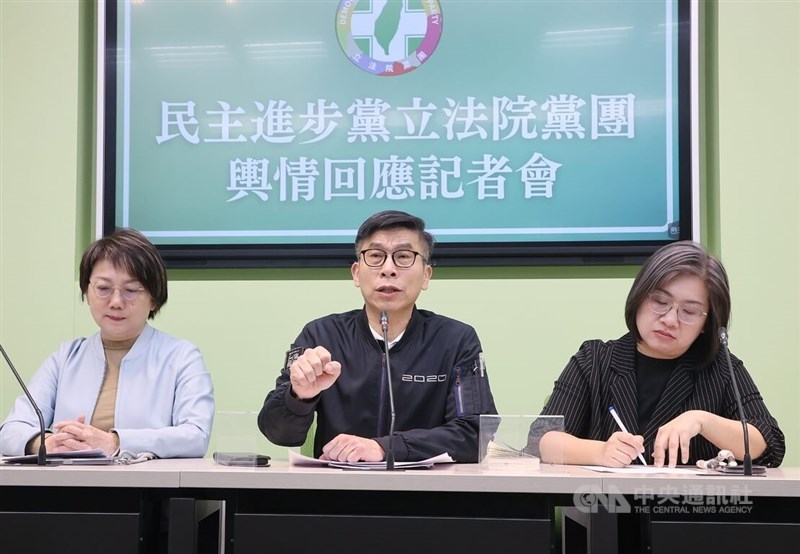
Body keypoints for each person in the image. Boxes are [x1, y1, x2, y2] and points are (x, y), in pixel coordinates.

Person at [258, 210, 496, 463]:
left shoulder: (455, 340)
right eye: (375, 256)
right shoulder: (321, 335)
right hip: (337, 493)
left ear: (426, 275)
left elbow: (475, 434)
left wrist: (385, 448)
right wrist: (299, 397)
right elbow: (277, 432)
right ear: (356, 273)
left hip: (428, 494)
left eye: (404, 256)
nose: (388, 269)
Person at [536, 240, 784, 468]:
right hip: (609, 508)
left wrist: (703, 420)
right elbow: (542, 441)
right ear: (640, 296)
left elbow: (769, 442)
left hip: (693, 510)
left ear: (706, 324)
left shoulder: (720, 367)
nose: (670, 320)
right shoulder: (594, 360)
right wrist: (600, 452)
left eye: (689, 311)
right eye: (660, 302)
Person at [0, 229, 214, 458]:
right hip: (65, 486)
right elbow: (10, 431)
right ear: (86, 291)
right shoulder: (65, 358)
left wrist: (115, 442)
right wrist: (48, 444)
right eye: (103, 288)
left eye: (131, 291)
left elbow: (195, 436)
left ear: (153, 299)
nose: (115, 302)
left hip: (144, 489)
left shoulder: (181, 356)